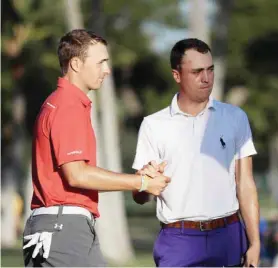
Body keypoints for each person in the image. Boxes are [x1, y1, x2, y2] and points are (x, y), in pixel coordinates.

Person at [22, 29, 170, 267]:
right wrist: (141, 182)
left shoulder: (64, 103)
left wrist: (138, 179)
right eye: (101, 62)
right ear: (76, 64)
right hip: (63, 229)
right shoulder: (67, 105)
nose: (107, 70)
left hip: (59, 227)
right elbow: (77, 174)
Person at [131, 38, 260, 267]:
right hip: (178, 239)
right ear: (177, 75)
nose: (206, 78)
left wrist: (255, 242)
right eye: (197, 71)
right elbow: (141, 196)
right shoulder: (153, 125)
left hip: (228, 235)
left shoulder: (235, 118)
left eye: (210, 70)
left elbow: (246, 184)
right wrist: (145, 181)